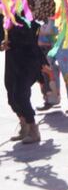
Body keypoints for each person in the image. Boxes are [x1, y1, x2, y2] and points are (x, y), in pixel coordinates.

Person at [3, 16, 48, 145]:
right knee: (11, 96)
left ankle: (33, 128)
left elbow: (31, 35)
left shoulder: (22, 16)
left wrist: (14, 32)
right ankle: (24, 125)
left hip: (28, 61)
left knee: (20, 95)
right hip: (12, 62)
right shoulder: (2, 17)